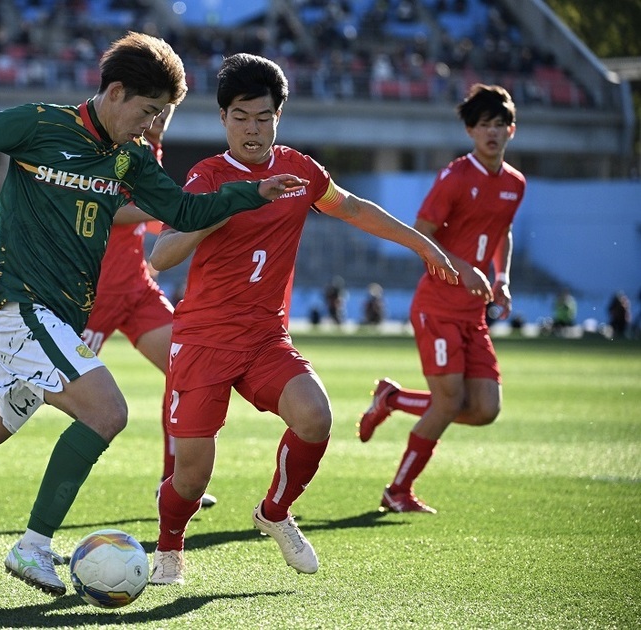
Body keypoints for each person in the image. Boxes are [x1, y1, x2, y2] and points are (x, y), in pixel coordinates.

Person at [0, 32, 310, 597]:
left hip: (58, 318)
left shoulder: (130, 157)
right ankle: (34, 546)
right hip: (21, 304)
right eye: (146, 111)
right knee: (108, 411)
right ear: (114, 93)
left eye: (159, 116)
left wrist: (252, 192)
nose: (149, 125)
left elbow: (185, 209)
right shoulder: (40, 124)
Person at [146, 53, 457, 586]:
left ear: (278, 118)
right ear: (223, 119)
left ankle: (274, 511)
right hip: (202, 340)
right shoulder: (207, 176)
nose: (252, 128)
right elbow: (163, 256)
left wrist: (424, 246)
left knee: (316, 417)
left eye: (262, 117)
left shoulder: (301, 172)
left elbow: (354, 208)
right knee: (192, 476)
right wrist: (224, 205)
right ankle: (170, 548)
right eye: (241, 116)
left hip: (266, 336)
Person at [357, 83, 526, 514]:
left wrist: (502, 277)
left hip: (473, 314)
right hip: (437, 307)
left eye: (500, 124)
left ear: (512, 129)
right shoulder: (455, 177)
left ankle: (392, 400)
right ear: (470, 131)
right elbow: (422, 233)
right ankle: (398, 491)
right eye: (484, 124)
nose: (493, 132)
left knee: (486, 409)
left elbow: (503, 230)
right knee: (449, 401)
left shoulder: (514, 183)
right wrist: (464, 267)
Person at [83, 103, 217, 507]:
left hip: (137, 289)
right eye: (152, 109)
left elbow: (146, 218)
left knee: (185, 366)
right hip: (98, 294)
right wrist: (170, 207)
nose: (159, 119)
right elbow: (105, 210)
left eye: (167, 110)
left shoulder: (150, 150)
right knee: (46, 382)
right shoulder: (116, 148)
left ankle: (173, 479)